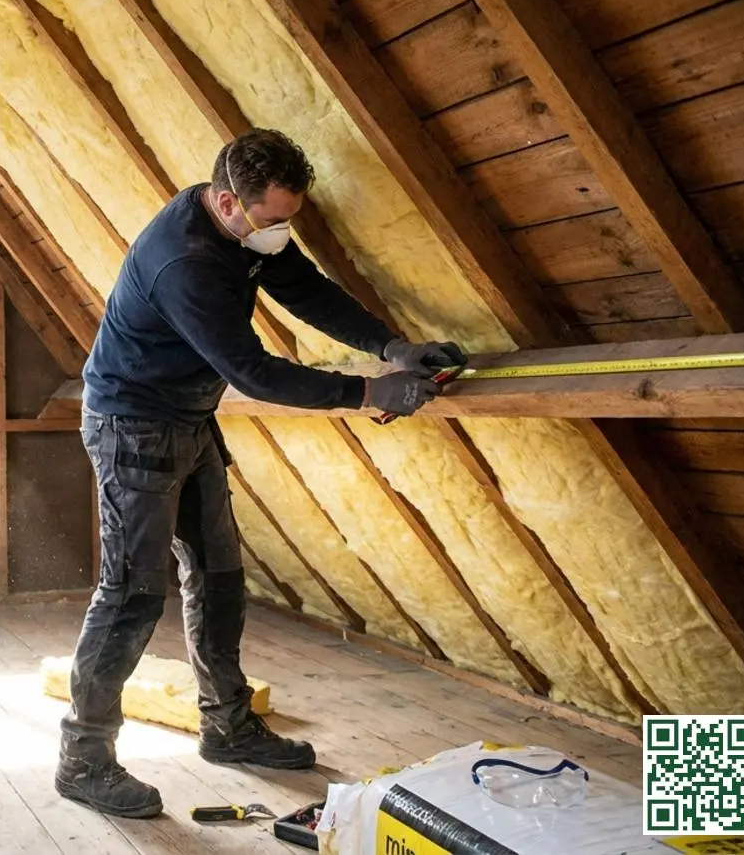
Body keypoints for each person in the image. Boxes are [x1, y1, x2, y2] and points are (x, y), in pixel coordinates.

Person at [58, 128, 465, 818]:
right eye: (274, 220)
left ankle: (228, 727)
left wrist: (393, 348)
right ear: (228, 202)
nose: (281, 233)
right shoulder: (184, 262)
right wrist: (368, 394)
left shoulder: (245, 231)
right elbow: (251, 371)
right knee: (130, 597)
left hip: (188, 420)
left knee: (218, 578)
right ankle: (83, 761)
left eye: (288, 219)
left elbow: (305, 288)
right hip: (133, 427)